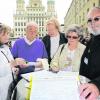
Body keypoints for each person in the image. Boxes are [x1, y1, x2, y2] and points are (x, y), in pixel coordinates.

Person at [0, 23, 26, 100]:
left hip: (10, 85)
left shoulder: (5, 47)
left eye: (8, 34)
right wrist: (13, 63)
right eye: (6, 34)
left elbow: (10, 63)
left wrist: (15, 69)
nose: (8, 36)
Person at [79, 7, 100, 100]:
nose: (92, 23)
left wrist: (97, 85)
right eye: (89, 20)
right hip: (86, 89)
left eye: (97, 19)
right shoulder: (92, 39)